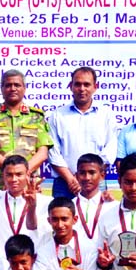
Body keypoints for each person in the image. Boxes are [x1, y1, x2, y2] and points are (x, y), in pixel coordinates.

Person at [0, 69, 53, 190]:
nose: (13, 88)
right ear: (2, 89)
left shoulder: (36, 117)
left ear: (24, 88)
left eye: (17, 85)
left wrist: (22, 171)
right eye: (8, 85)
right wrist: (11, 170)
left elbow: (43, 153)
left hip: (28, 183)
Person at [47, 67, 118, 198]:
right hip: (65, 183)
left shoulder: (106, 115)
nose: (82, 88)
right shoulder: (58, 115)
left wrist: (90, 175)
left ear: (95, 87)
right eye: (77, 84)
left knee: (97, 218)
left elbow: (111, 149)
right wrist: (71, 179)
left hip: (97, 183)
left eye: (87, 84)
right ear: (70, 86)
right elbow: (53, 151)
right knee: (61, 218)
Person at [0, 154, 51, 266]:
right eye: (9, 175)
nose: (14, 179)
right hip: (2, 265)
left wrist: (32, 206)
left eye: (19, 174)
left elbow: (33, 227)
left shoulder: (45, 202)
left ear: (28, 175)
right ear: (3, 176)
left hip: (33, 265)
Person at [72, 153, 116, 241]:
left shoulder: (112, 206)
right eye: (82, 173)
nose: (87, 178)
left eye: (92, 173)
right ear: (76, 176)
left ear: (102, 176)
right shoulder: (70, 205)